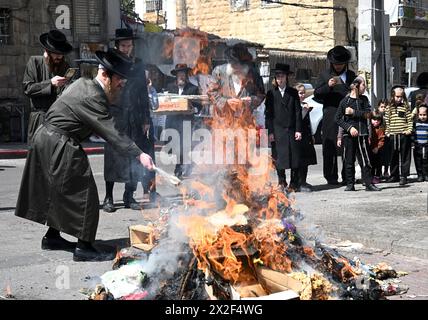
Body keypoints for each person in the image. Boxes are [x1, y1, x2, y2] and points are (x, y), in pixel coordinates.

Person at [15, 49, 154, 262]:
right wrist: (139, 154)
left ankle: (52, 238)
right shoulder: (93, 95)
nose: (122, 85)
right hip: (59, 142)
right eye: (119, 80)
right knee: (85, 193)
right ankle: (84, 247)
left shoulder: (82, 83)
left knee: (58, 190)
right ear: (105, 75)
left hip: (46, 138)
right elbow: (112, 131)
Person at [102, 28, 155, 213]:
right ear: (117, 45)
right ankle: (108, 197)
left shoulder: (138, 64)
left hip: (135, 115)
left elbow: (142, 92)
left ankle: (128, 195)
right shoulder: (109, 61)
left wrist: (146, 117)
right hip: (115, 115)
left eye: (129, 45)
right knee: (112, 157)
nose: (127, 49)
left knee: (134, 154)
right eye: (123, 45)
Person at [314, 45, 356, 185]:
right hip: (330, 114)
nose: (338, 67)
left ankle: (347, 176)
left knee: (348, 146)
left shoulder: (351, 76)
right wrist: (328, 86)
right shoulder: (324, 75)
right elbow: (317, 94)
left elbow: (358, 93)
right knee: (330, 146)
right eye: (336, 64)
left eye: (341, 64)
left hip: (348, 115)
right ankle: (331, 177)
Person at [23, 30, 72, 143]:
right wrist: (50, 83)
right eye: (56, 53)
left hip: (58, 120)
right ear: (47, 51)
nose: (59, 57)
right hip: (39, 120)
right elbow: (27, 88)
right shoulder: (34, 62)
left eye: (61, 54)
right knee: (38, 157)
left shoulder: (65, 65)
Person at [335, 76, 380, 191]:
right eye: (363, 84)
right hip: (349, 136)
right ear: (356, 86)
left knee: (366, 160)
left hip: (362, 135)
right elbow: (338, 118)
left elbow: (368, 114)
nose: (365, 87)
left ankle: (369, 183)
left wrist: (353, 112)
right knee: (348, 160)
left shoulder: (364, 100)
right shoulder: (345, 101)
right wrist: (349, 128)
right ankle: (350, 184)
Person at [265, 64, 302, 191]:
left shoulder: (293, 92)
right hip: (277, 130)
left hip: (291, 129)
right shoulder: (271, 94)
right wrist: (270, 132)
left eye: (282, 76)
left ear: (287, 77)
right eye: (278, 76)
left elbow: (298, 112)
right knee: (279, 158)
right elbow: (268, 115)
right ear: (275, 78)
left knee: (294, 157)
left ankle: (294, 183)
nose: (280, 79)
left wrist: (298, 130)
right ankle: (282, 181)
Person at [165, 63, 201, 179]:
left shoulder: (193, 88)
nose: (181, 76)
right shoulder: (170, 87)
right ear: (176, 76)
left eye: (183, 74)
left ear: (186, 75)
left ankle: (178, 168)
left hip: (186, 121)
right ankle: (188, 164)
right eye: (179, 74)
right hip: (172, 121)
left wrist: (193, 109)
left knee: (184, 146)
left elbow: (199, 105)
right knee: (174, 146)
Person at [384, 85, 413, 186]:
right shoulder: (389, 107)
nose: (399, 98)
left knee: (405, 156)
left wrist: (409, 129)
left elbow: (409, 119)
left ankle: (404, 176)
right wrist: (387, 132)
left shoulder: (405, 106)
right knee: (393, 156)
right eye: (397, 96)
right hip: (393, 135)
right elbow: (387, 120)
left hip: (403, 134)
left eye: (401, 96)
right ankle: (394, 175)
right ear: (392, 96)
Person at [295, 83, 317, 192]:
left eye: (303, 93)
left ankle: (304, 180)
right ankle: (298, 182)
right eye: (300, 93)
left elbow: (309, 121)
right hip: (299, 136)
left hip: (307, 135)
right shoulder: (295, 105)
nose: (302, 95)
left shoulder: (305, 104)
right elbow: (298, 120)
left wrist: (312, 134)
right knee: (300, 160)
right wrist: (304, 110)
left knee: (307, 160)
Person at [369, 111, 386, 184]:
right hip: (370, 149)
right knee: (371, 164)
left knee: (378, 164)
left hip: (378, 149)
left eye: (378, 120)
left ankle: (377, 176)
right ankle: (371, 176)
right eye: (374, 119)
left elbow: (382, 140)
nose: (376, 122)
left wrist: (377, 147)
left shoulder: (380, 129)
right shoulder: (369, 128)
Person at [413, 105, 428, 182]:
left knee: (426, 161)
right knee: (418, 160)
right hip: (417, 145)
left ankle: (426, 174)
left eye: (424, 115)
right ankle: (420, 175)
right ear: (418, 115)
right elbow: (413, 134)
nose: (422, 117)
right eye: (421, 115)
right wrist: (413, 142)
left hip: (426, 145)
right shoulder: (415, 124)